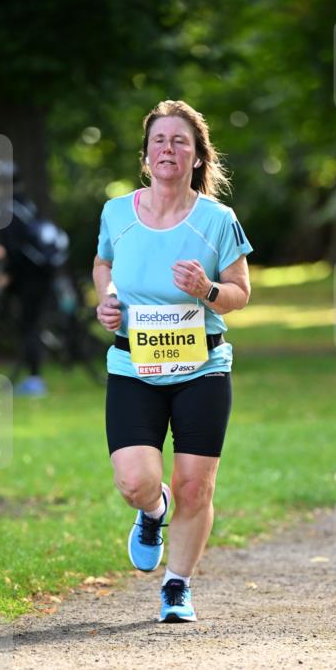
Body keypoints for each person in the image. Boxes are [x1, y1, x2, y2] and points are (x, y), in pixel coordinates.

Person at [93, 100, 252, 623]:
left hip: (202, 368)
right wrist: (108, 300)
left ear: (198, 157)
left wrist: (206, 288)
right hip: (134, 365)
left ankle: (177, 585)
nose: (168, 149)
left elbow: (240, 293)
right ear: (145, 156)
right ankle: (152, 511)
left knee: (196, 485)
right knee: (135, 481)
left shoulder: (217, 220)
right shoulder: (117, 212)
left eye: (180, 141)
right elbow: (103, 264)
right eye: (159, 140)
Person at [0, 161, 70, 396]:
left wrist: (7, 274)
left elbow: (15, 250)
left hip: (32, 276)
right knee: (30, 323)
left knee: (29, 325)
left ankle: (35, 381)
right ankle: (31, 373)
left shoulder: (8, 210)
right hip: (40, 273)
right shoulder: (24, 203)